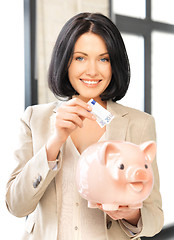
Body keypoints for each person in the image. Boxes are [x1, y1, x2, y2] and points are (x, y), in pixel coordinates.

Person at [5, 12, 164, 240]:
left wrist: (131, 214)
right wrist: (54, 142)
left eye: (104, 59)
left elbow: (155, 217)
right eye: (80, 58)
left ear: (114, 64)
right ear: (65, 61)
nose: (92, 70)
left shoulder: (139, 124)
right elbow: (15, 206)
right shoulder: (34, 119)